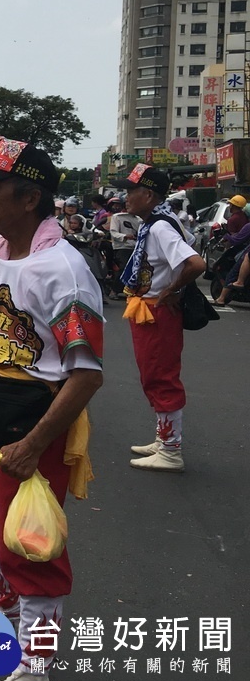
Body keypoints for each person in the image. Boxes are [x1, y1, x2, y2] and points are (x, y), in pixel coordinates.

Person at [0, 137, 104, 681]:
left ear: (29, 195)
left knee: (31, 545)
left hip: (29, 427)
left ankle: (34, 677)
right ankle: (7, 633)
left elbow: (86, 373)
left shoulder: (63, 270)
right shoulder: (2, 252)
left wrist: (35, 445)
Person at [115, 164, 205, 473]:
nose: (124, 196)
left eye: (130, 191)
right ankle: (163, 439)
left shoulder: (160, 226)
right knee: (152, 373)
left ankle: (170, 450)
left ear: (148, 194)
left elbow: (195, 263)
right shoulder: (155, 222)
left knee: (161, 375)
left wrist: (171, 289)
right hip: (147, 308)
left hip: (157, 310)